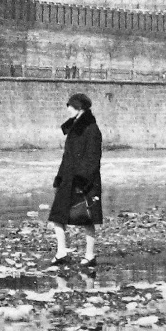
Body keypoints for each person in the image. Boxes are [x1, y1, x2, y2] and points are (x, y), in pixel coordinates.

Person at [48, 92, 103, 266]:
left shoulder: (92, 129)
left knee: (86, 218)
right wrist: (59, 177)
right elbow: (67, 157)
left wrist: (83, 180)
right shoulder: (74, 128)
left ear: (80, 108)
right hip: (68, 179)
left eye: (71, 106)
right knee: (57, 216)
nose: (68, 109)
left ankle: (90, 255)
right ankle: (61, 251)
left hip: (84, 181)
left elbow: (93, 159)